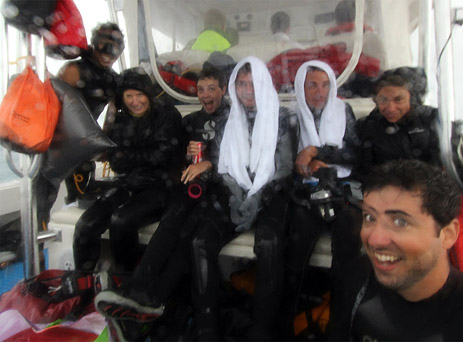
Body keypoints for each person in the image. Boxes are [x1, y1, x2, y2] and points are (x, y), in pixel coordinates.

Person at [328, 160, 463, 341]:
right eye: (370, 217)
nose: (375, 239)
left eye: (400, 221)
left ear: (448, 234)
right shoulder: (357, 282)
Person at [93, 65, 230, 342]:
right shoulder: (190, 122)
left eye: (211, 89)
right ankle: (139, 292)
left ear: (223, 90)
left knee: (188, 235)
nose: (205, 95)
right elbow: (173, 158)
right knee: (173, 221)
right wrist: (190, 155)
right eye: (200, 89)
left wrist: (210, 160)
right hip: (192, 189)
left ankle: (148, 296)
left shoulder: (234, 119)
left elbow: (241, 157)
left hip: (223, 195)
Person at [189, 56, 296, 341]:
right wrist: (238, 197)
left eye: (253, 83)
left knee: (269, 242)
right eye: (242, 84)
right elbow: (220, 163)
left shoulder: (281, 118)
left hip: (271, 191)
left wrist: (256, 198)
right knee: (201, 241)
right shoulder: (228, 118)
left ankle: (263, 330)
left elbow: (284, 169)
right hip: (234, 192)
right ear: (234, 88)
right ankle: (207, 327)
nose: (248, 90)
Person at [277, 60, 361, 338]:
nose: (320, 92)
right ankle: (286, 324)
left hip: (340, 189)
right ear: (301, 87)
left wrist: (317, 152)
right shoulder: (292, 117)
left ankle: (340, 329)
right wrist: (303, 167)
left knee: (348, 245)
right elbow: (285, 161)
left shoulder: (342, 110)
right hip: (306, 193)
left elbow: (354, 155)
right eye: (312, 85)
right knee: (295, 250)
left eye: (325, 85)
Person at [73, 67, 183, 273]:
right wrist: (140, 157)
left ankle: (128, 283)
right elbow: (116, 162)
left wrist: (131, 156)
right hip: (128, 183)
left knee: (121, 221)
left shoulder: (167, 115)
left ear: (148, 94)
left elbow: (163, 155)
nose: (135, 101)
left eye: (140, 94)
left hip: (161, 187)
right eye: (129, 95)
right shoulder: (119, 121)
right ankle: (83, 285)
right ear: (122, 97)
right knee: (86, 224)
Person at [33, 22, 125, 230]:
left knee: (83, 192)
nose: (109, 53)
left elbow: (112, 111)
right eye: (104, 45)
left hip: (82, 145)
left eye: (116, 48)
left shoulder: (113, 80)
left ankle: (70, 222)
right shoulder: (74, 70)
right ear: (93, 44)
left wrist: (105, 139)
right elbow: (52, 104)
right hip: (55, 142)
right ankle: (38, 238)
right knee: (44, 194)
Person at [355, 67, 440, 181]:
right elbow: (364, 170)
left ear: (411, 99)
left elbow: (443, 163)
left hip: (428, 185)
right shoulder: (369, 127)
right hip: (388, 187)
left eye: (398, 100)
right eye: (383, 100)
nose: (391, 108)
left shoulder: (431, 120)